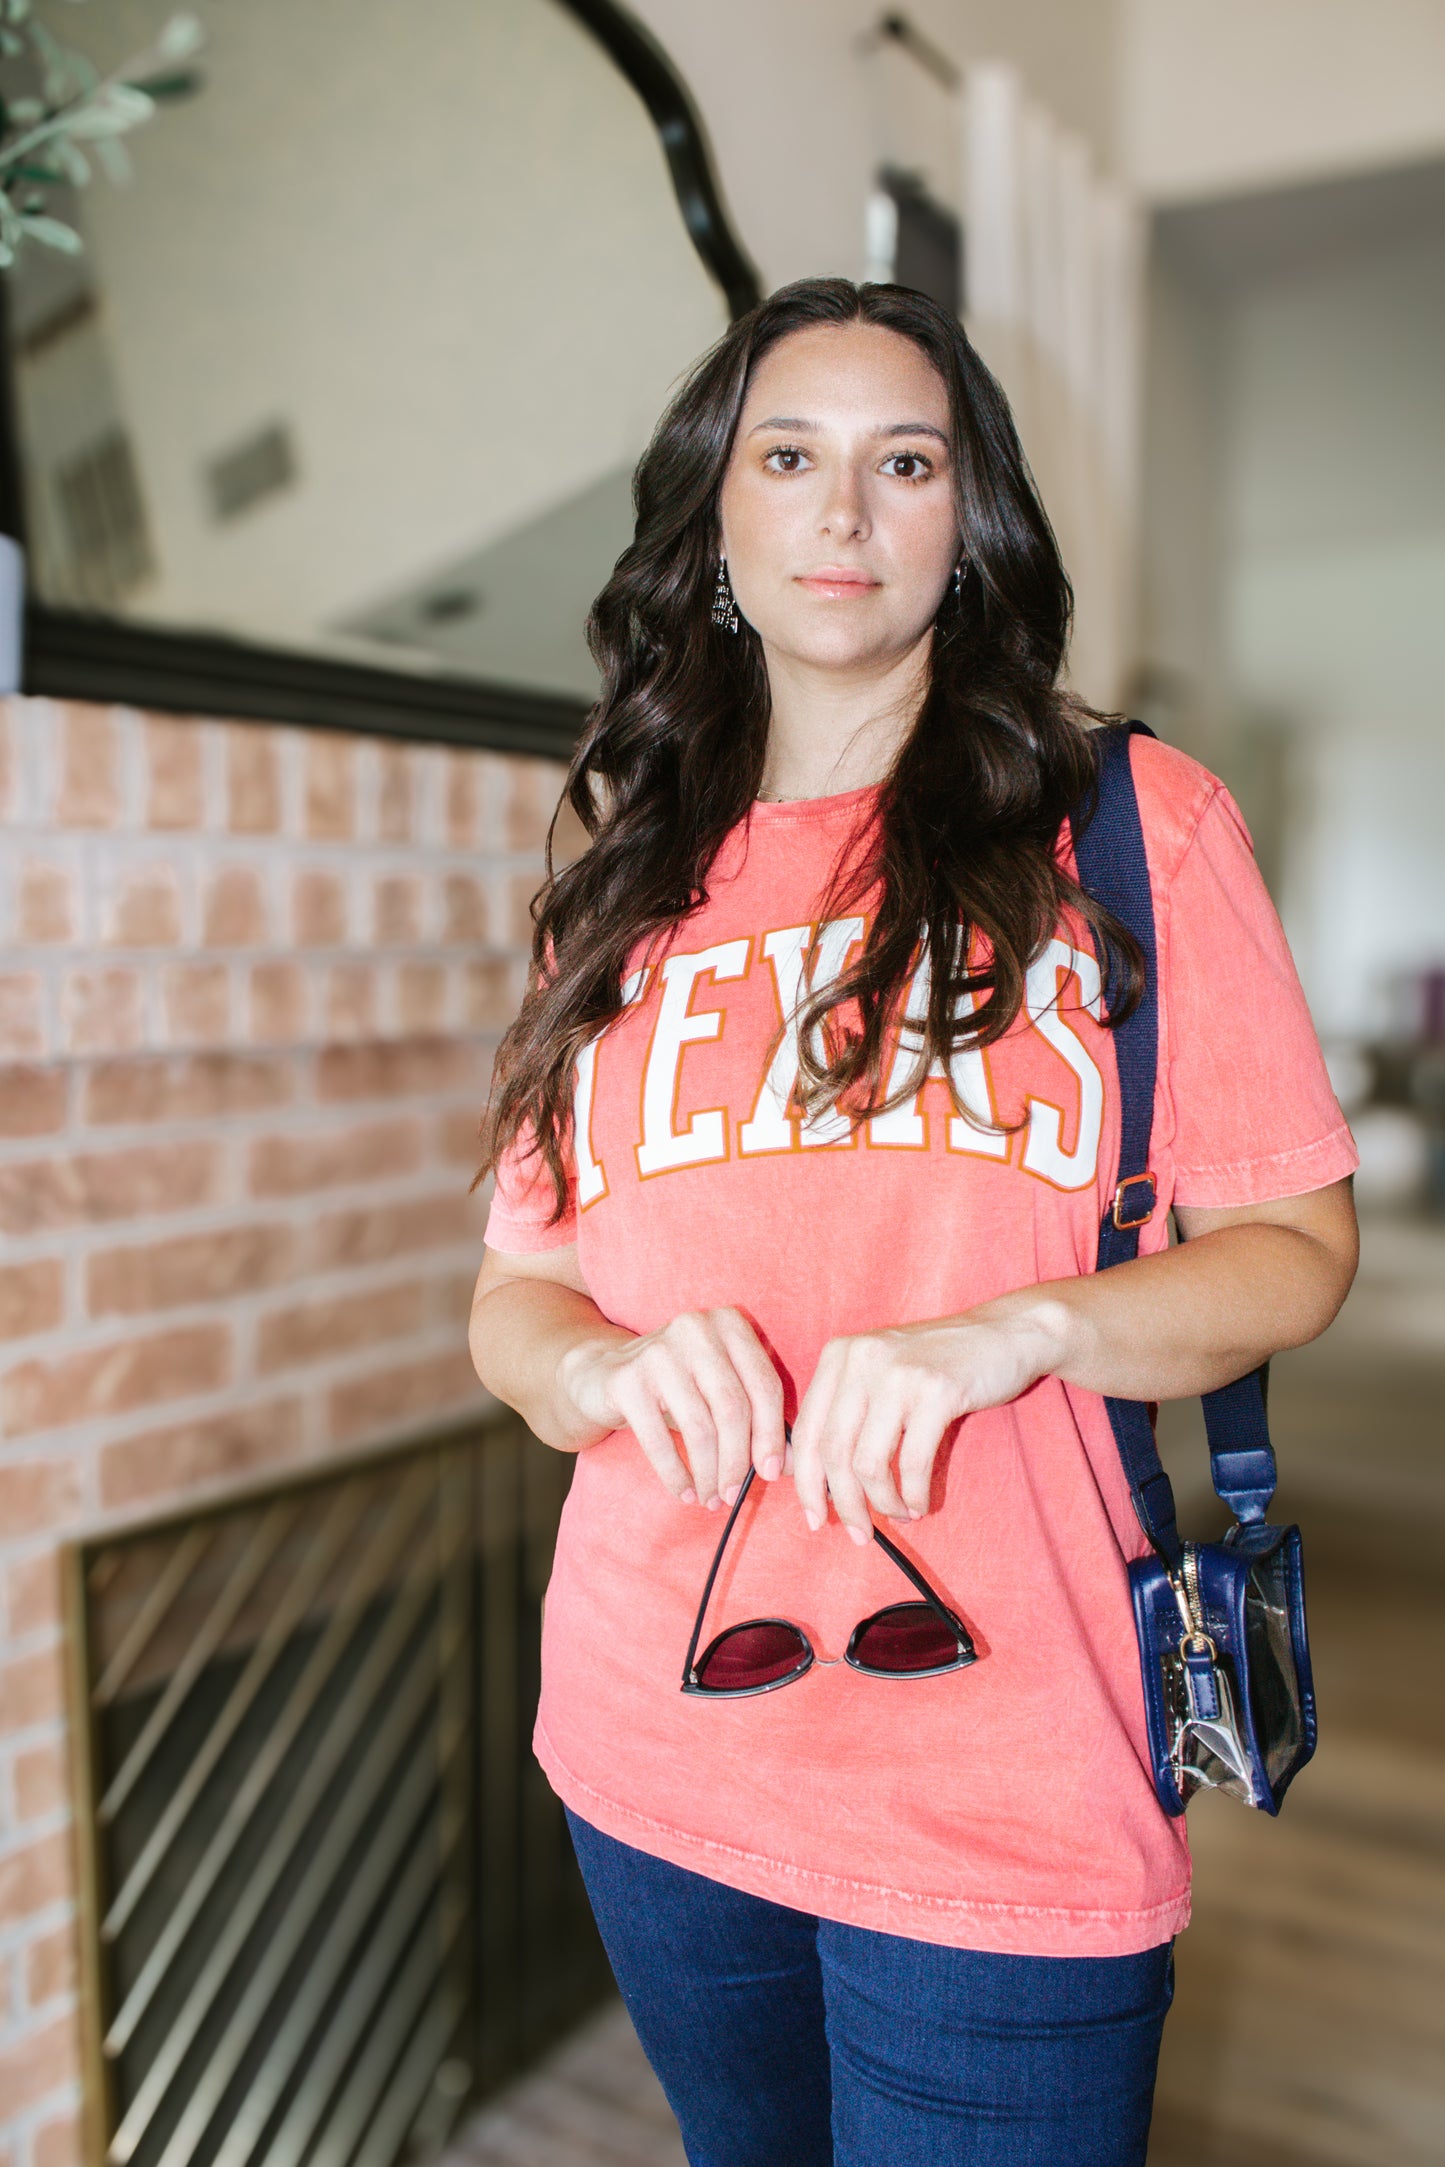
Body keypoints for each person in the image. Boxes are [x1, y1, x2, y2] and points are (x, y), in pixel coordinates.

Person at [467, 277, 1358, 2167]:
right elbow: (516, 1303)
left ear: (970, 526)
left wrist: (1023, 1327)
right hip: (651, 1737)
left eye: (905, 463)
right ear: (717, 520)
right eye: (787, 459)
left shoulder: (1127, 829)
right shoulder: (613, 894)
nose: (842, 511)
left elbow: (1294, 1246)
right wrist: (612, 1365)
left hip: (1015, 1761)